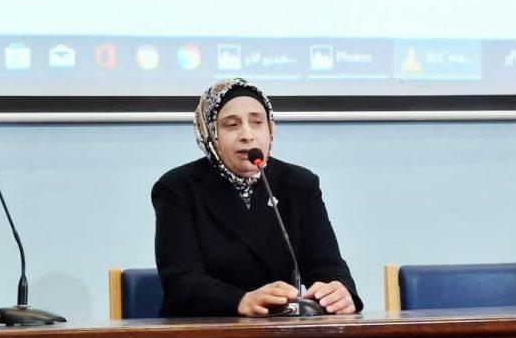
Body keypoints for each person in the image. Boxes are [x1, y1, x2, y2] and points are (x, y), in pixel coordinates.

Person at [152, 78, 362, 317]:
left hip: (280, 328)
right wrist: (240, 300)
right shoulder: (178, 188)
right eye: (232, 125)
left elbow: (326, 265)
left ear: (270, 129)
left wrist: (340, 292)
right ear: (210, 133)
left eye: (257, 122)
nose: (247, 135)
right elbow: (180, 281)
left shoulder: (298, 184)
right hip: (202, 329)